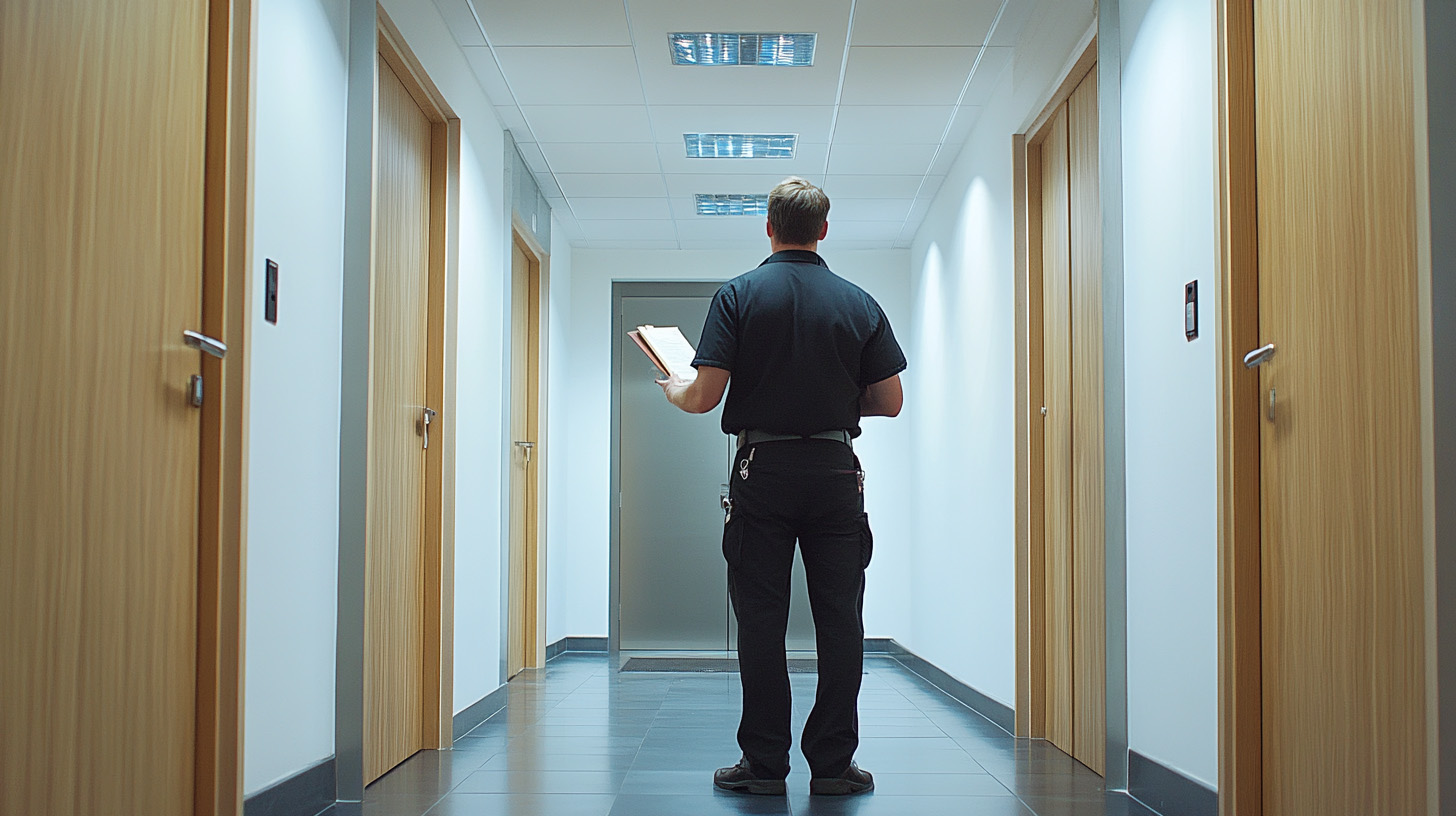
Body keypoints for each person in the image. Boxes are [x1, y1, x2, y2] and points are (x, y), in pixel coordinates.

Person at [658, 176, 906, 796]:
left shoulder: (738, 296)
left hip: (761, 474)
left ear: (767, 227)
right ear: (823, 229)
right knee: (841, 622)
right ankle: (831, 766)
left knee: (762, 622)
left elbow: (704, 395)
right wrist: (831, 396)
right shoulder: (859, 302)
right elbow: (890, 401)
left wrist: (672, 386)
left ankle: (765, 766)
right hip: (833, 474)